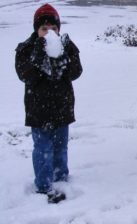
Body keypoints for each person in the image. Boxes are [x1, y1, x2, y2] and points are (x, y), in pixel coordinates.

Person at [15, 3, 82, 203]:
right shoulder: (26, 48)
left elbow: (76, 72)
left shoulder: (67, 46)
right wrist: (38, 56)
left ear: (58, 28)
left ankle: (61, 179)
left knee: (61, 147)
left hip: (62, 107)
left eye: (53, 28)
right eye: (44, 29)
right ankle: (43, 185)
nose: (49, 32)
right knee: (43, 148)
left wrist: (64, 59)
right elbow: (25, 75)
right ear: (37, 30)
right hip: (38, 110)